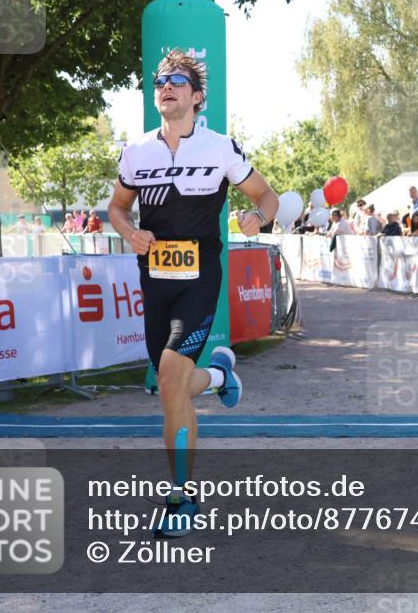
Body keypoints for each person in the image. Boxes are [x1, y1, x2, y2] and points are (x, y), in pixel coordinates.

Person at [108, 49, 278, 537]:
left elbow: (265, 196)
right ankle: (221, 378)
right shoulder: (136, 151)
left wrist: (257, 217)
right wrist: (127, 232)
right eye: (161, 79)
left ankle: (182, 499)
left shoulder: (221, 147)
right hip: (155, 280)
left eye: (178, 80)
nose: (167, 85)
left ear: (196, 97)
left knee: (167, 377)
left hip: (201, 278)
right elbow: (117, 207)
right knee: (170, 387)